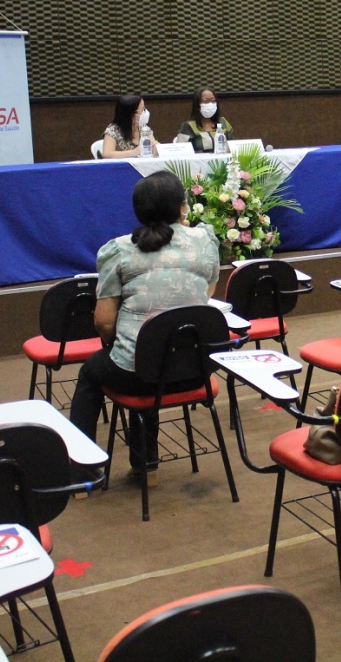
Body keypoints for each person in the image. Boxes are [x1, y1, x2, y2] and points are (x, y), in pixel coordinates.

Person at [68, 171, 220, 478]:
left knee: (94, 371)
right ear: (182, 207)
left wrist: (122, 341)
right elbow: (208, 293)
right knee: (155, 352)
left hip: (138, 374)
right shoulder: (205, 241)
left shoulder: (120, 250)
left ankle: (82, 469)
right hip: (197, 369)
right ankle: (145, 459)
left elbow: (104, 322)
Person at [177, 87, 235, 153]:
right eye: (205, 101)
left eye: (213, 101)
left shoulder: (223, 122)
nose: (210, 104)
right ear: (197, 104)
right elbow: (181, 152)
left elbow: (233, 146)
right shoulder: (188, 126)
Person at [101, 94, 157, 159]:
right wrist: (134, 152)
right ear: (132, 114)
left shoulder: (144, 128)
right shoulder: (113, 130)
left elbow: (152, 149)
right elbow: (107, 154)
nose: (145, 112)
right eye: (142, 109)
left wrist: (155, 148)